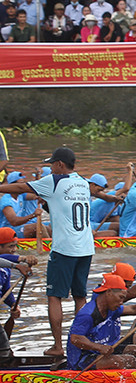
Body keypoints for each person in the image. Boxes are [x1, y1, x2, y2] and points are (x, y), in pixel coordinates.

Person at [21, 147, 95, 358]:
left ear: (60, 165)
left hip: (64, 249)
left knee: (54, 296)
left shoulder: (54, 181)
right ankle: (82, 342)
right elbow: (65, 208)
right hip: (86, 248)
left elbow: (19, 188)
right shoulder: (83, 182)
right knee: (80, 296)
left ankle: (58, 346)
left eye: (52, 164)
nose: (50, 168)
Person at [65, 273, 136, 372]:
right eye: (120, 297)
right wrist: (99, 347)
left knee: (134, 350)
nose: (121, 302)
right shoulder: (87, 314)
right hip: (82, 359)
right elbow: (75, 338)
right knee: (127, 360)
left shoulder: (111, 308)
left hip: (100, 351)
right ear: (108, 292)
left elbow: (134, 309)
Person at [0, 227, 34, 360]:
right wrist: (20, 260)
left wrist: (13, 305)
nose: (14, 250)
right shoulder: (6, 262)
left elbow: (6, 289)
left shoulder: (5, 269)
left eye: (15, 246)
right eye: (10, 246)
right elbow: (3, 258)